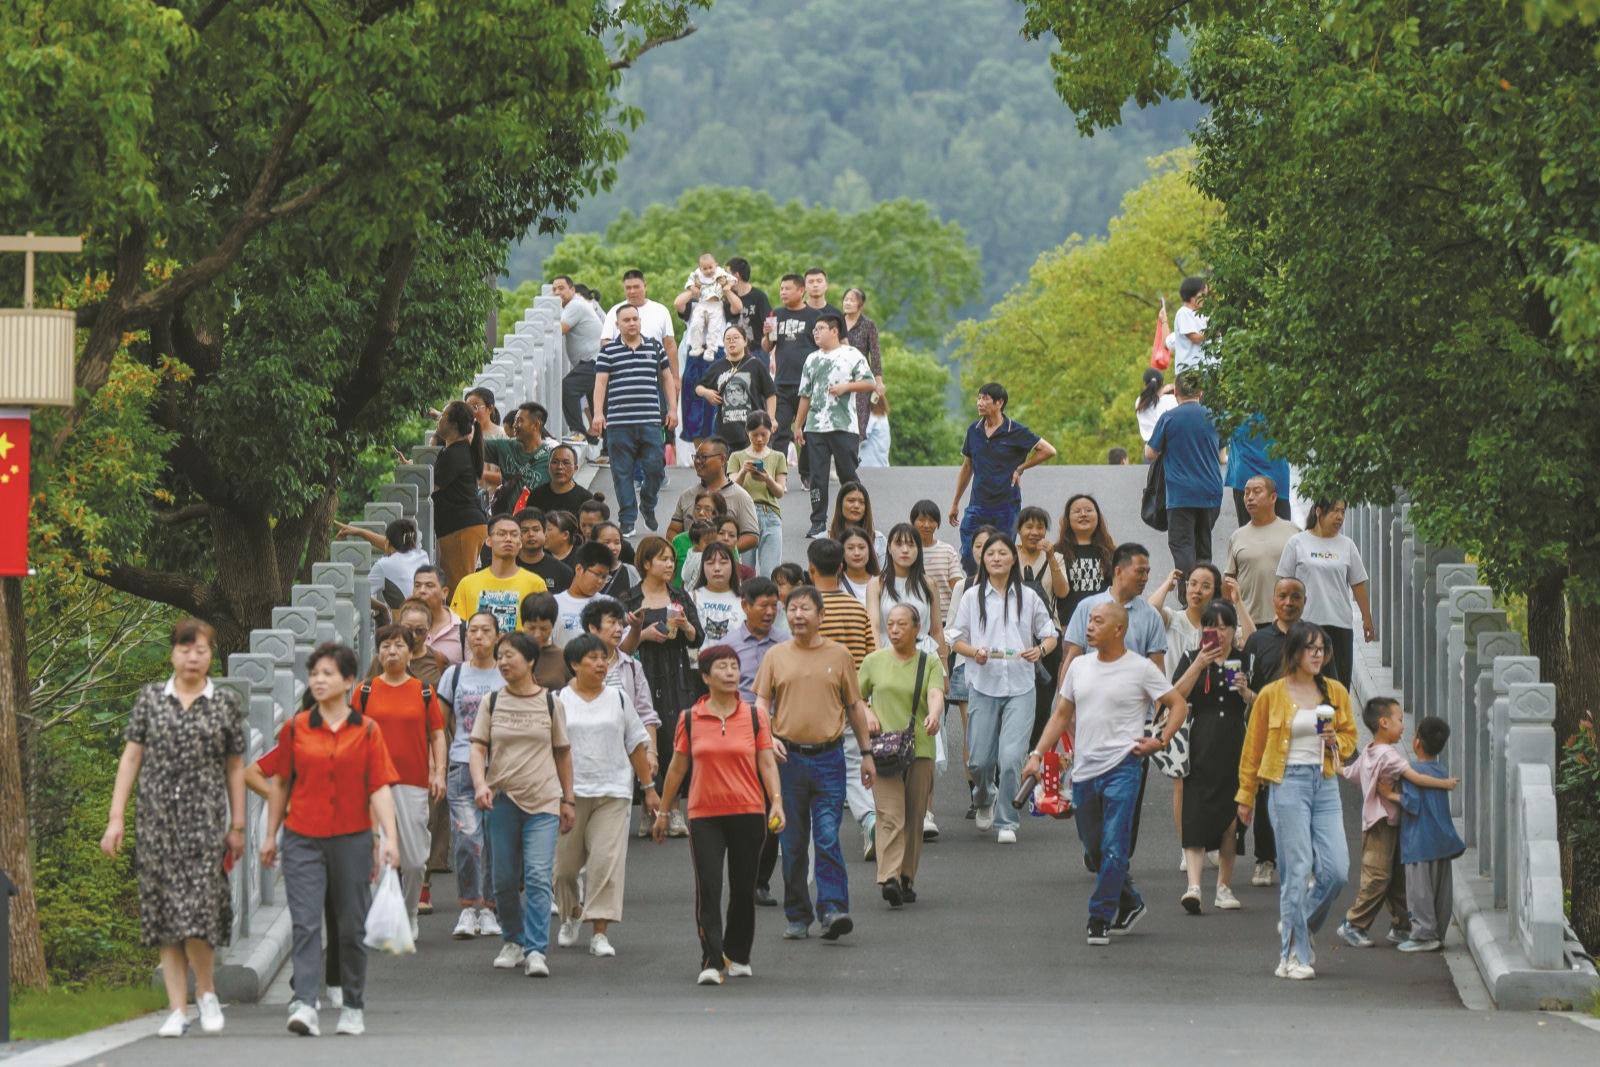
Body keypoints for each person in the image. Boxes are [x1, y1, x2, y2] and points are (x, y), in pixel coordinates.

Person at [100, 618, 246, 1039]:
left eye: (201, 650)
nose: (192, 658)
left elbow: (235, 767)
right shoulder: (150, 699)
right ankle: (177, 1008)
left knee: (199, 913)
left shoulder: (223, 704)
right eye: (185, 649)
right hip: (156, 823)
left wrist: (237, 824)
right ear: (172, 654)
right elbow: (131, 758)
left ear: (211, 656)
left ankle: (206, 992)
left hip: (204, 825)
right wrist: (116, 818)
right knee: (165, 916)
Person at [1024, 601, 1186, 945]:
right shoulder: (1079, 666)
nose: (1090, 626)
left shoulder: (1140, 669)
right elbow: (1061, 715)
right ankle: (1131, 902)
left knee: (1114, 847)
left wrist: (1160, 740)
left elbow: (1177, 704)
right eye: (1090, 620)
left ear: (1119, 629)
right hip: (1085, 771)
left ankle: (1099, 917)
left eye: (1098, 621)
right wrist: (1037, 754)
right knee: (1096, 850)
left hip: (1124, 767)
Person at [261, 642, 401, 1037]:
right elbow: (280, 783)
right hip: (302, 838)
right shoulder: (296, 728)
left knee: (351, 926)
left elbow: (379, 786)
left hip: (352, 839)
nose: (319, 681)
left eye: (327, 674)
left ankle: (353, 1005)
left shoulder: (367, 730)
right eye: (314, 674)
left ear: (348, 680)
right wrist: (270, 835)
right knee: (305, 922)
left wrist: (388, 838)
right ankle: (305, 1002)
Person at [654, 644, 783, 985]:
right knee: (708, 887)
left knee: (743, 888)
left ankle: (738, 954)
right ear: (705, 676)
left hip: (749, 812)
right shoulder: (690, 718)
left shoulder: (755, 716)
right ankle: (711, 959)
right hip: (705, 815)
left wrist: (777, 801)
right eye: (722, 667)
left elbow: (767, 763)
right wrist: (664, 812)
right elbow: (677, 768)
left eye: (734, 666)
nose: (730, 673)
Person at [1235, 621, 1357, 980]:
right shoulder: (1271, 694)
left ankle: (1296, 922)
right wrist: (1246, 796)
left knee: (1336, 870)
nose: (1318, 655)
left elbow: (1350, 737)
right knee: (1298, 868)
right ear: (1294, 652)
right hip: (1287, 783)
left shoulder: (1335, 692)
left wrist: (1336, 741)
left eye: (1322, 649)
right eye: (1310, 648)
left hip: (1325, 783)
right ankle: (1291, 956)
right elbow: (1253, 748)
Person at [754, 586, 877, 942]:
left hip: (829, 758)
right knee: (792, 844)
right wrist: (767, 737)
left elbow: (854, 706)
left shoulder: (840, 655)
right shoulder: (775, 656)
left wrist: (867, 754)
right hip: (787, 760)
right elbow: (761, 703)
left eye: (805, 608)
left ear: (821, 616)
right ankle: (797, 915)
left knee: (826, 837)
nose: (797, 615)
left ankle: (833, 909)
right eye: (792, 609)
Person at [470, 631, 574, 978]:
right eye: (499, 656)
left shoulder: (550, 703)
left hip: (543, 800)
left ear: (530, 661)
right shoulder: (491, 702)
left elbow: (562, 753)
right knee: (502, 879)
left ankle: (535, 949)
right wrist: (480, 783)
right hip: (501, 799)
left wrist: (568, 799)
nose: (502, 662)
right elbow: (477, 748)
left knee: (538, 876)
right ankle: (512, 940)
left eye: (509, 655)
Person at [550, 634, 657, 959]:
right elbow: (548, 749)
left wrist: (649, 788)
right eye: (593, 659)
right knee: (564, 870)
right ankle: (571, 914)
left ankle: (599, 932)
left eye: (603, 658)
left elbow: (635, 743)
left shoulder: (619, 699)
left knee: (605, 864)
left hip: (613, 791)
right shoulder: (557, 701)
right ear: (574, 664)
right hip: (569, 795)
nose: (601, 664)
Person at [948, 529, 1057, 845]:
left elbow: (1050, 633)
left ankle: (1007, 819)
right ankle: (984, 796)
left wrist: (1040, 650)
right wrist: (975, 653)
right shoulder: (972, 596)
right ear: (982, 559)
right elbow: (956, 639)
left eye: (1003, 553)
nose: (996, 558)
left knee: (1011, 759)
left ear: (1013, 558)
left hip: (1021, 686)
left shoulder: (1029, 596)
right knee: (979, 760)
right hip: (983, 685)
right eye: (990, 553)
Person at [1336, 697, 1457, 950]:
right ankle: (1354, 924)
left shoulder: (1369, 750)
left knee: (1396, 878)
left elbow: (1352, 773)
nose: (1403, 725)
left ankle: (1403, 925)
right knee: (1379, 876)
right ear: (1384, 722)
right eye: (1400, 720)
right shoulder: (1390, 756)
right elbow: (1417, 777)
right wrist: (1444, 784)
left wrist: (1337, 766)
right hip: (1382, 824)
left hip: (1384, 823)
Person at [361, 623, 447, 936]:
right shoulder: (364, 691)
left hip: (413, 782)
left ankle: (410, 913)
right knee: (377, 855)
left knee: (413, 860)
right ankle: (383, 918)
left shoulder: (423, 691)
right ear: (378, 653)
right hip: (373, 784)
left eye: (399, 646)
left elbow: (437, 734)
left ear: (411, 653)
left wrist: (438, 772)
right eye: (385, 646)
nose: (392, 651)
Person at [860, 603, 945, 907]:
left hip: (919, 748)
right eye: (891, 624)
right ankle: (890, 878)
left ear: (916, 628)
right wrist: (868, 713)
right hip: (884, 750)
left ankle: (907, 876)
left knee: (914, 816)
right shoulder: (873, 661)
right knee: (890, 815)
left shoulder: (929, 662)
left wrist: (934, 715)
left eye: (901, 624)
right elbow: (855, 698)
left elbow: (935, 693)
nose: (894, 630)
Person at [1169, 601, 1250, 914]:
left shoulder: (1245, 659)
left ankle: (1224, 887)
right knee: (1195, 813)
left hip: (1235, 740)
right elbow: (1175, 695)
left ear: (1232, 629)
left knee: (1231, 819)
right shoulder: (1193, 657)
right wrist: (1199, 664)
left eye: (1223, 626)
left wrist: (1246, 693)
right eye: (1210, 626)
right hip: (1200, 741)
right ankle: (1193, 887)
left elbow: (1262, 703)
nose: (1217, 632)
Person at [622, 536, 704, 836]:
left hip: (675, 672)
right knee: (642, 737)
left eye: (671, 559)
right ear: (646, 563)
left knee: (675, 738)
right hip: (641, 673)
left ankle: (674, 809)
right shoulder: (630, 599)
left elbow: (697, 639)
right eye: (663, 559)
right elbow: (619, 645)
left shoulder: (680, 596)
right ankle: (648, 808)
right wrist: (642, 634)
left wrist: (685, 626)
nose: (670, 564)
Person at [1237, 575, 1312, 887]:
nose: (1288, 603)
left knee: (1305, 796)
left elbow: (1332, 688)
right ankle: (1265, 859)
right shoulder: (1258, 641)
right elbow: (1245, 680)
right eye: (1282, 596)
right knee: (1266, 795)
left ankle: (1304, 862)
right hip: (1267, 730)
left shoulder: (1315, 639)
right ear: (1273, 600)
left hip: (1305, 732)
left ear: (1304, 602)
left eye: (1295, 597)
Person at [806, 537, 879, 855]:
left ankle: (815, 831)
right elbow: (870, 656)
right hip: (854, 699)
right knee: (854, 763)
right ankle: (870, 820)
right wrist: (867, 702)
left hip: (816, 702)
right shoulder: (856, 608)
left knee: (812, 767)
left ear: (811, 569)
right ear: (840, 567)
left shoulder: (808, 610)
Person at [437, 612, 506, 940]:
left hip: (499, 769)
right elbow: (439, 726)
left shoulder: (507, 675)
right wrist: (438, 769)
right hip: (462, 764)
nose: (478, 636)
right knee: (467, 840)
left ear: (498, 636)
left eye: (485, 631)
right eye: (473, 630)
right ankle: (468, 906)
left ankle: (490, 908)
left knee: (494, 841)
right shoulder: (453, 675)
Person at [947, 383, 1057, 574]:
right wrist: (955, 502)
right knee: (969, 556)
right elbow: (967, 467)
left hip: (1006, 507)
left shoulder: (1015, 430)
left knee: (1002, 556)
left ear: (999, 403)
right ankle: (976, 587)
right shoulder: (974, 430)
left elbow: (1049, 450)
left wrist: (1021, 468)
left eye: (985, 399)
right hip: (977, 505)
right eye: (978, 398)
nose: (979, 403)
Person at [724, 579, 784, 904]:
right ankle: (743, 875)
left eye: (775, 605)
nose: (770, 612)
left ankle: (760, 880)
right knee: (743, 812)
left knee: (770, 805)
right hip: (738, 736)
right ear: (745, 606)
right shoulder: (728, 646)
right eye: (763, 605)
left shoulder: (786, 643)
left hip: (778, 736)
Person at [592, 304, 676, 535]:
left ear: (640, 321)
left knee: (655, 468)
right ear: (617, 324)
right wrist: (598, 413)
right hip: (619, 424)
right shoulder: (608, 351)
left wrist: (673, 409)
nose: (632, 323)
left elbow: (667, 378)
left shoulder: (654, 347)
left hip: (650, 421)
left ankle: (648, 504)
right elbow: (600, 383)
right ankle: (627, 520)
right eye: (626, 320)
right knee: (622, 474)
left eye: (635, 319)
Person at [793, 312, 877, 537]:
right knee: (817, 477)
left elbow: (870, 383)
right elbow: (805, 394)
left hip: (844, 425)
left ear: (834, 331)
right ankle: (818, 522)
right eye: (814, 329)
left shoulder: (851, 354)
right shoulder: (812, 358)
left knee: (847, 474)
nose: (815, 332)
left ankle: (860, 520)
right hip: (815, 427)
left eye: (820, 328)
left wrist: (846, 387)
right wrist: (798, 425)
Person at [1277, 499, 1374, 686]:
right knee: (1307, 684)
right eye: (1335, 511)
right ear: (1319, 511)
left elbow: (1358, 584)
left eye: (1343, 512)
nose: (1339, 517)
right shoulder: (1297, 543)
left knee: (1339, 686)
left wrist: (1367, 619)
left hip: (1340, 624)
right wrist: (1281, 619)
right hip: (1305, 625)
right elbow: (1283, 585)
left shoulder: (1347, 545)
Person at [1145, 371, 1223, 596]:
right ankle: (1206, 593)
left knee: (1182, 545)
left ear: (1176, 391)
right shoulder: (1214, 417)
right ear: (1201, 392)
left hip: (1180, 494)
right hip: (1211, 492)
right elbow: (1222, 456)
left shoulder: (1169, 418)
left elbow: (1150, 453)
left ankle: (1189, 596)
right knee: (1203, 544)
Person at [1398, 716, 1466, 952]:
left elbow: (1411, 803)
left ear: (1417, 742)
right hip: (1441, 840)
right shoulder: (1441, 771)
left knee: (1419, 891)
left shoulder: (1411, 770)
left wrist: (1388, 794)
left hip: (1419, 840)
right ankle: (1438, 933)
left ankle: (1424, 934)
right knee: (1441, 890)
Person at [764, 273, 833, 466]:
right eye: (781, 289)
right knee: (779, 430)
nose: (783, 292)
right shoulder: (776, 314)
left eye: (787, 289)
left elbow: (824, 347)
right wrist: (767, 334)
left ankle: (807, 473)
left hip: (809, 385)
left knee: (809, 432)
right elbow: (767, 347)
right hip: (782, 383)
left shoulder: (814, 316)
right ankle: (777, 472)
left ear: (801, 291)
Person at [1016, 506, 1068, 748]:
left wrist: (1051, 558)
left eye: (1040, 527)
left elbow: (1062, 592)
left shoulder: (1056, 557)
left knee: (1043, 701)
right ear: (1019, 530)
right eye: (1029, 526)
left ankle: (1034, 754)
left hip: (1049, 638)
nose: (1035, 532)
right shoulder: (1008, 554)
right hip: (1016, 636)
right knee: (1016, 697)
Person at [450, 514, 549, 633]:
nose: (508, 539)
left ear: (520, 542)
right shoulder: (467, 584)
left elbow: (543, 631)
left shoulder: (536, 584)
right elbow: (456, 630)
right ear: (489, 541)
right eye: (501, 534)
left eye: (514, 535)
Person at [1225, 475, 1299, 628]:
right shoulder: (1237, 537)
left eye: (1257, 492)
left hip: (1287, 622)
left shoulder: (1293, 532)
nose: (1250, 497)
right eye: (1246, 493)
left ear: (1273, 497)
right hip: (1248, 623)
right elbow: (1229, 580)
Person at [432, 400, 489, 592]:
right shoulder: (458, 449)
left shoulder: (455, 454)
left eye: (443, 416)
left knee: (460, 590)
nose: (439, 420)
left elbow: (431, 487)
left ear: (454, 424)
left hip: (461, 528)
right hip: (462, 526)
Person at [666, 436, 759, 553]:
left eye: (703, 457)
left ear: (722, 459)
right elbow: (673, 530)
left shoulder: (741, 497)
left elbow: (752, 537)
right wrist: (684, 552)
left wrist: (720, 553)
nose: (698, 461)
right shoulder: (687, 495)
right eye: (696, 457)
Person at [729, 411, 788, 577]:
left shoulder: (778, 457)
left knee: (769, 573)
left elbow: (780, 492)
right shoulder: (736, 456)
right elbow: (731, 488)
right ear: (747, 432)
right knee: (745, 573)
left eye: (764, 434)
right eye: (755, 435)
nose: (759, 439)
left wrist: (767, 478)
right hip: (744, 516)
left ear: (771, 432)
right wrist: (743, 471)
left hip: (770, 515)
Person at [600, 268, 681, 384]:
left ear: (645, 286)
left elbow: (670, 345)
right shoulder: (614, 312)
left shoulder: (661, 310)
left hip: (655, 377)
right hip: (622, 377)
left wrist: (675, 378)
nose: (632, 291)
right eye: (628, 288)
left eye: (636, 287)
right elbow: (605, 343)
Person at [699, 322, 775, 437]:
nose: (732, 341)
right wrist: (706, 392)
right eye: (728, 339)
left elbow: (771, 393)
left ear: (745, 341)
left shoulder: (756, 364)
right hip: (724, 433)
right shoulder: (717, 367)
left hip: (753, 431)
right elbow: (698, 387)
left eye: (736, 338)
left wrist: (771, 418)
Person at [336, 517, 429, 611]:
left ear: (387, 543)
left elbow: (361, 596)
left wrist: (382, 608)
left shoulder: (384, 565)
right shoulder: (422, 555)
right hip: (429, 616)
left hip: (407, 619)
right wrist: (360, 532)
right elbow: (396, 545)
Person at [1053, 494, 1116, 630]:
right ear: (1067, 519)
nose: (1083, 514)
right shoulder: (1056, 552)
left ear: (1098, 516)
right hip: (1067, 627)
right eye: (1077, 511)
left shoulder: (1111, 552)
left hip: (1103, 627)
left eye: (1088, 510)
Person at [554, 275, 604, 445]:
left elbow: (559, 329)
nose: (557, 292)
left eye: (561, 288)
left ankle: (578, 432)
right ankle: (604, 446)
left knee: (568, 387)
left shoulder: (574, 305)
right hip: (594, 361)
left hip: (593, 361)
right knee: (598, 406)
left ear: (572, 289)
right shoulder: (573, 305)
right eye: (554, 290)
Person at [483, 402, 556, 513]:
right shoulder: (504, 447)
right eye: (515, 421)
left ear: (536, 425)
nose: (514, 425)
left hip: (535, 521)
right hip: (507, 520)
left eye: (519, 421)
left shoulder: (552, 458)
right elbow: (474, 447)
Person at [1225, 416, 1293, 526]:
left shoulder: (1235, 410)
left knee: (1249, 531)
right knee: (1281, 531)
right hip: (1276, 475)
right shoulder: (1282, 409)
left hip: (1245, 476)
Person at [552, 541, 618, 648]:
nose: (600, 581)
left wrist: (636, 629)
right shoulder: (555, 604)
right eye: (597, 574)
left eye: (604, 577)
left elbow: (622, 646)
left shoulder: (608, 603)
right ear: (579, 569)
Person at [841, 287, 885, 438]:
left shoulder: (868, 325)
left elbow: (875, 354)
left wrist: (878, 381)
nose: (847, 303)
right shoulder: (837, 322)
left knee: (858, 423)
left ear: (861, 305)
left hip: (860, 379)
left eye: (852, 300)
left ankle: (855, 449)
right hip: (839, 376)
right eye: (846, 299)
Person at [520, 592, 576, 690]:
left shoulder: (564, 658)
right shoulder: (511, 654)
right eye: (531, 628)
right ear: (523, 624)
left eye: (544, 629)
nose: (537, 634)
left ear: (553, 626)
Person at [510, 507, 574, 593]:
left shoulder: (564, 572)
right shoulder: (506, 567)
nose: (531, 534)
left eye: (536, 530)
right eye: (524, 531)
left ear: (544, 533)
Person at [411, 566, 464, 665]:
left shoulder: (462, 630)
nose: (422, 590)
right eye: (417, 586)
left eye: (429, 585)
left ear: (444, 593)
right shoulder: (405, 629)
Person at [693, 541, 744, 643]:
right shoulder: (690, 598)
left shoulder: (745, 600)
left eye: (723, 563)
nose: (717, 568)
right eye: (710, 563)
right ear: (702, 567)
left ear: (732, 566)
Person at [829, 481, 887, 566]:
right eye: (851, 501)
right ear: (840, 504)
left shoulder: (878, 539)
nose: (856, 506)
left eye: (862, 502)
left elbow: (885, 572)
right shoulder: (826, 538)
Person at [526, 444, 594, 515]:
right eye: (555, 462)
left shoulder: (586, 500)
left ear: (575, 468)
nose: (559, 467)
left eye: (566, 463)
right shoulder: (536, 496)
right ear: (548, 466)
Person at [724, 256, 772, 347]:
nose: (724, 278)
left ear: (736, 275)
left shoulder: (758, 296)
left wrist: (772, 350)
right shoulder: (728, 298)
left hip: (757, 350)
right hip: (734, 350)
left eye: (727, 275)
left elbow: (770, 323)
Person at [1168, 276, 1209, 372]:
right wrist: (1213, 332)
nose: (1205, 298)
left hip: (1205, 369)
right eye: (1202, 295)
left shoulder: (1204, 314)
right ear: (1192, 295)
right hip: (1189, 370)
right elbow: (1195, 338)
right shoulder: (1184, 313)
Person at [1134, 368, 1178, 446]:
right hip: (1168, 446)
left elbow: (1153, 397)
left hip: (1149, 447)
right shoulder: (1171, 399)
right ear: (1162, 383)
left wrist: (1163, 390)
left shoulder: (1139, 401)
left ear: (1145, 384)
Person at [838, 526, 879, 606]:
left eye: (861, 547)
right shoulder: (836, 584)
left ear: (869, 550)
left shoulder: (882, 583)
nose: (857, 553)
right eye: (850, 548)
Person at [859, 390, 891, 468]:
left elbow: (861, 440)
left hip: (869, 466)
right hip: (882, 465)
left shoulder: (871, 417)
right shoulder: (883, 416)